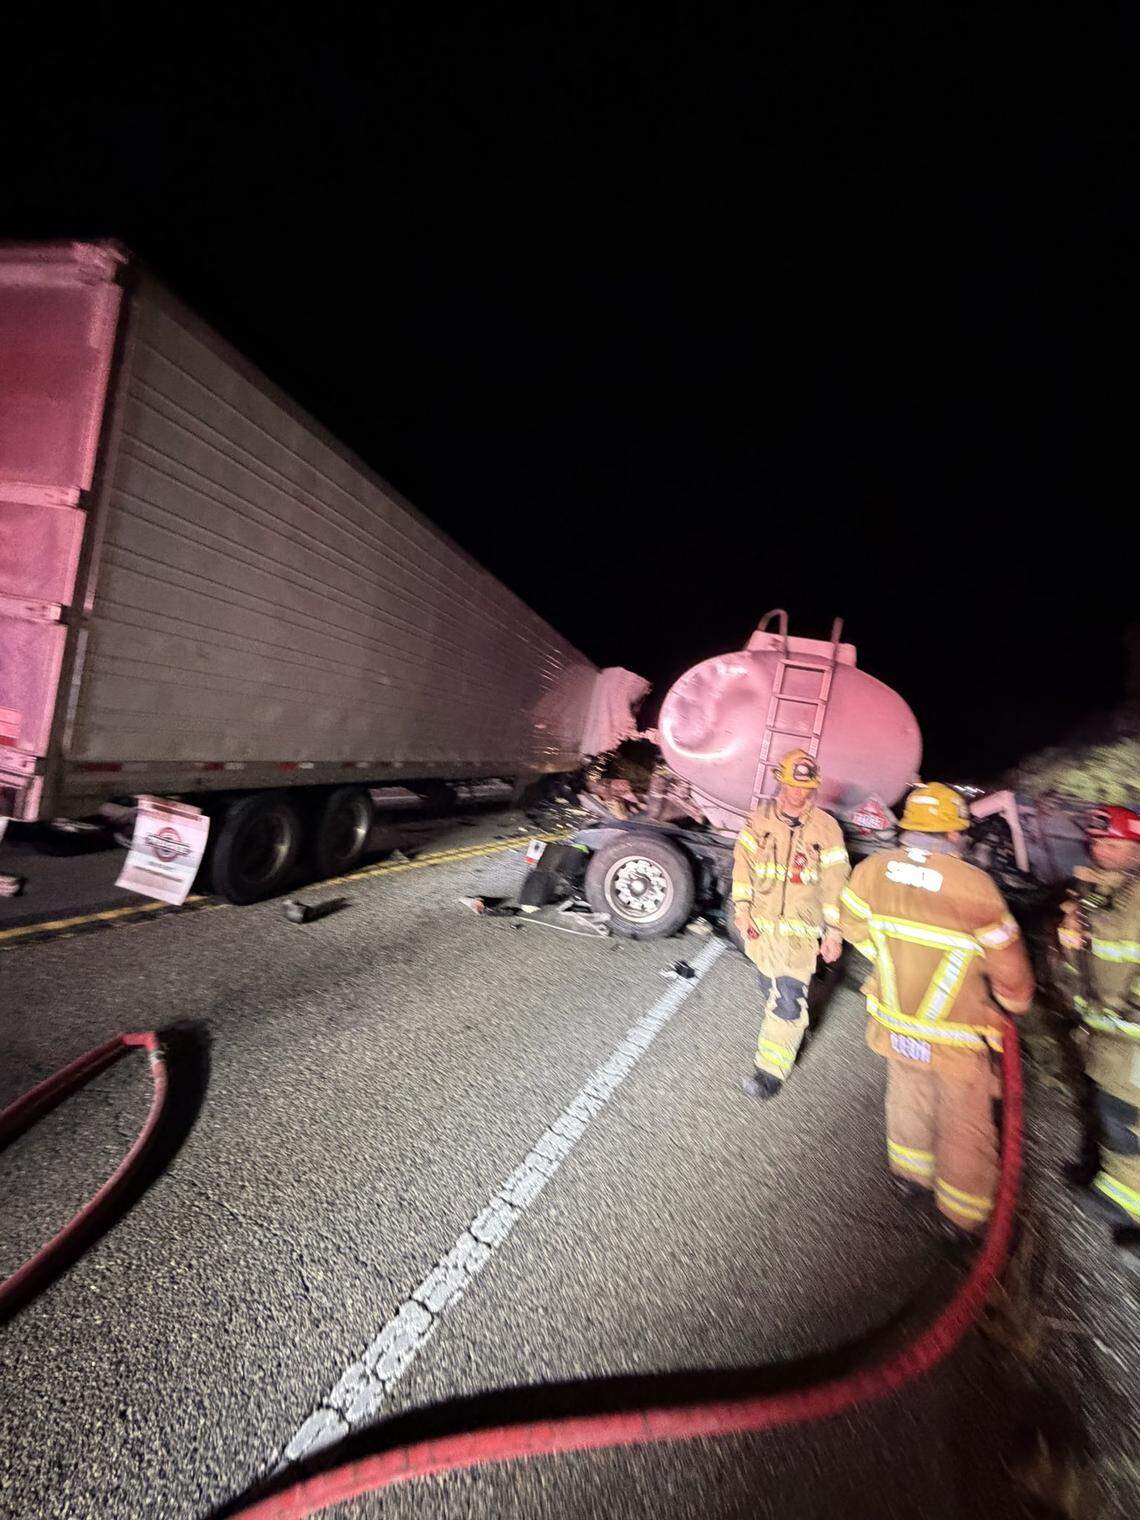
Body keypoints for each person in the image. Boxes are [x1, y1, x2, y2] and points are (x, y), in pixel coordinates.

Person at [839, 782, 1034, 1243]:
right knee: (964, 1120)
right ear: (952, 833)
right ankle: (960, 1217)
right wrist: (1015, 1003)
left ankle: (909, 1178)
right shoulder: (975, 888)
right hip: (956, 1032)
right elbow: (1010, 976)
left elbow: (851, 928)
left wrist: (891, 961)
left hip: (895, 1021)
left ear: (910, 829)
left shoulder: (872, 870)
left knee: (908, 1095)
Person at [731, 748, 849, 1099]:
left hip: (799, 935)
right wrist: (742, 908)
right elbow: (742, 866)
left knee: (787, 999)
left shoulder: (826, 829)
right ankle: (794, 1031)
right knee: (769, 989)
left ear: (814, 789)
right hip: (762, 931)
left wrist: (835, 930)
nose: (798, 794)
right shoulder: (759, 820)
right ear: (780, 783)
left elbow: (835, 883)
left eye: (806, 789)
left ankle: (770, 1072)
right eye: (792, 786)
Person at [1056, 804, 1140, 1236]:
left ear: (1135, 847)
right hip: (1098, 1032)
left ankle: (1129, 1212)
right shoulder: (1092, 891)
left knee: (1127, 1116)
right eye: (1096, 842)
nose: (1100, 850)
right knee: (1101, 1105)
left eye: (1112, 843)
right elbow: (1079, 961)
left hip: (1131, 1039)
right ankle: (1102, 1175)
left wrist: (1132, 1013)